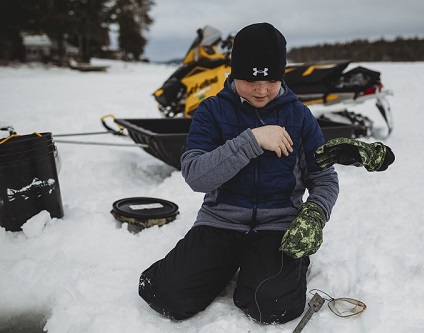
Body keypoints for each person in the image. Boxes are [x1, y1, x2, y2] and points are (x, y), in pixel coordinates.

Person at [138, 22, 339, 324]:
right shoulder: (211, 111)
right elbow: (195, 175)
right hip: (221, 222)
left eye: (271, 80)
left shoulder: (299, 115)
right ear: (234, 73)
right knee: (166, 296)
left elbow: (324, 177)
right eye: (250, 80)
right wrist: (252, 140)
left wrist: (314, 213)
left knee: (273, 306)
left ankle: (282, 265)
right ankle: (224, 264)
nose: (261, 90)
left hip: (277, 225)